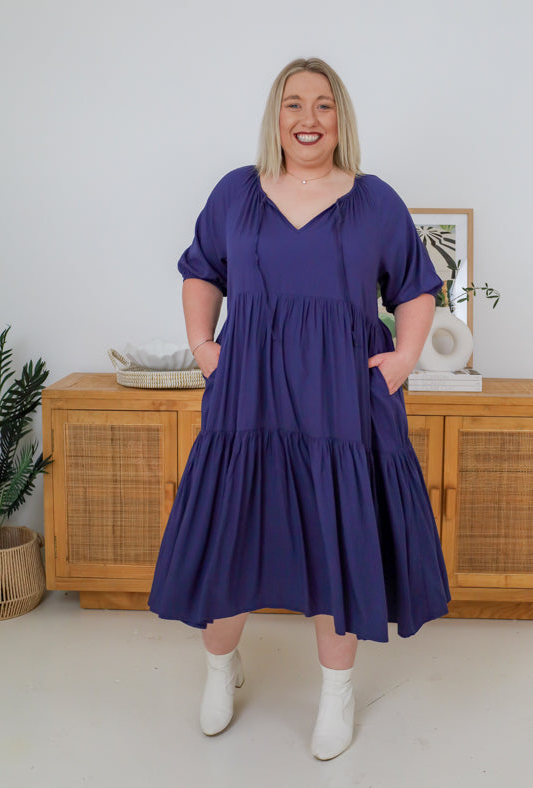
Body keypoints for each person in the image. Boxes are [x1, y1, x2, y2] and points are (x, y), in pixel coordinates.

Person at [149, 57, 451, 761]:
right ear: (275, 117)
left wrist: (404, 359)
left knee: (335, 538)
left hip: (340, 400)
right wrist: (203, 345)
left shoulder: (375, 200)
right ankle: (221, 668)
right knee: (233, 532)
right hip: (248, 395)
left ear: (340, 118)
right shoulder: (236, 194)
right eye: (293, 105)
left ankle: (337, 692)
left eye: (323, 105)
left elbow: (414, 287)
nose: (308, 119)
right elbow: (201, 270)